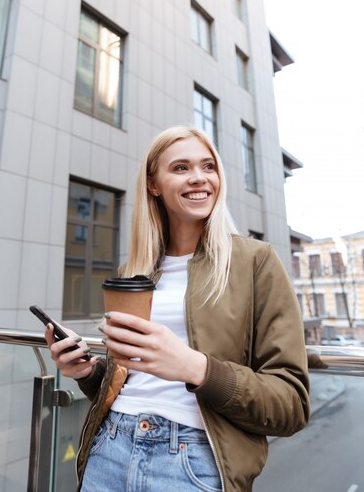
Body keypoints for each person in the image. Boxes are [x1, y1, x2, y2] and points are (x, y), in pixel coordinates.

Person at [46, 125, 310, 492]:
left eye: (208, 166)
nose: (199, 178)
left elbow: (291, 404)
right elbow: (133, 381)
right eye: (181, 168)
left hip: (192, 462)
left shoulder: (255, 261)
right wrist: (88, 372)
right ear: (154, 184)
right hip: (109, 448)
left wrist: (195, 368)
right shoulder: (135, 271)